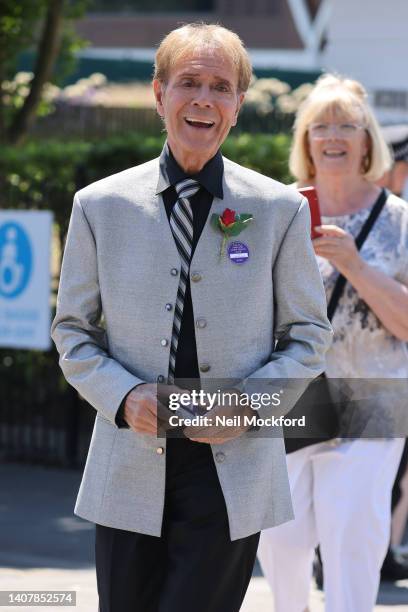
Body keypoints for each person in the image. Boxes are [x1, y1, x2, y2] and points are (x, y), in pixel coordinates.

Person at [51, 23, 332, 612]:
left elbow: (308, 336)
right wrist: (125, 397)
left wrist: (248, 405)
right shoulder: (99, 205)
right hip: (128, 463)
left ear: (237, 105)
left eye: (220, 86)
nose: (203, 98)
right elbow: (73, 332)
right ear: (159, 94)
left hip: (230, 470)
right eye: (188, 83)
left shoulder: (278, 209)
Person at [257, 74, 408, 612]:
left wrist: (354, 265)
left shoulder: (399, 221)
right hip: (295, 397)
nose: (334, 135)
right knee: (280, 538)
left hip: (375, 396)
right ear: (305, 141)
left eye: (348, 124)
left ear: (368, 140)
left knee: (352, 540)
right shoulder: (277, 212)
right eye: (321, 126)